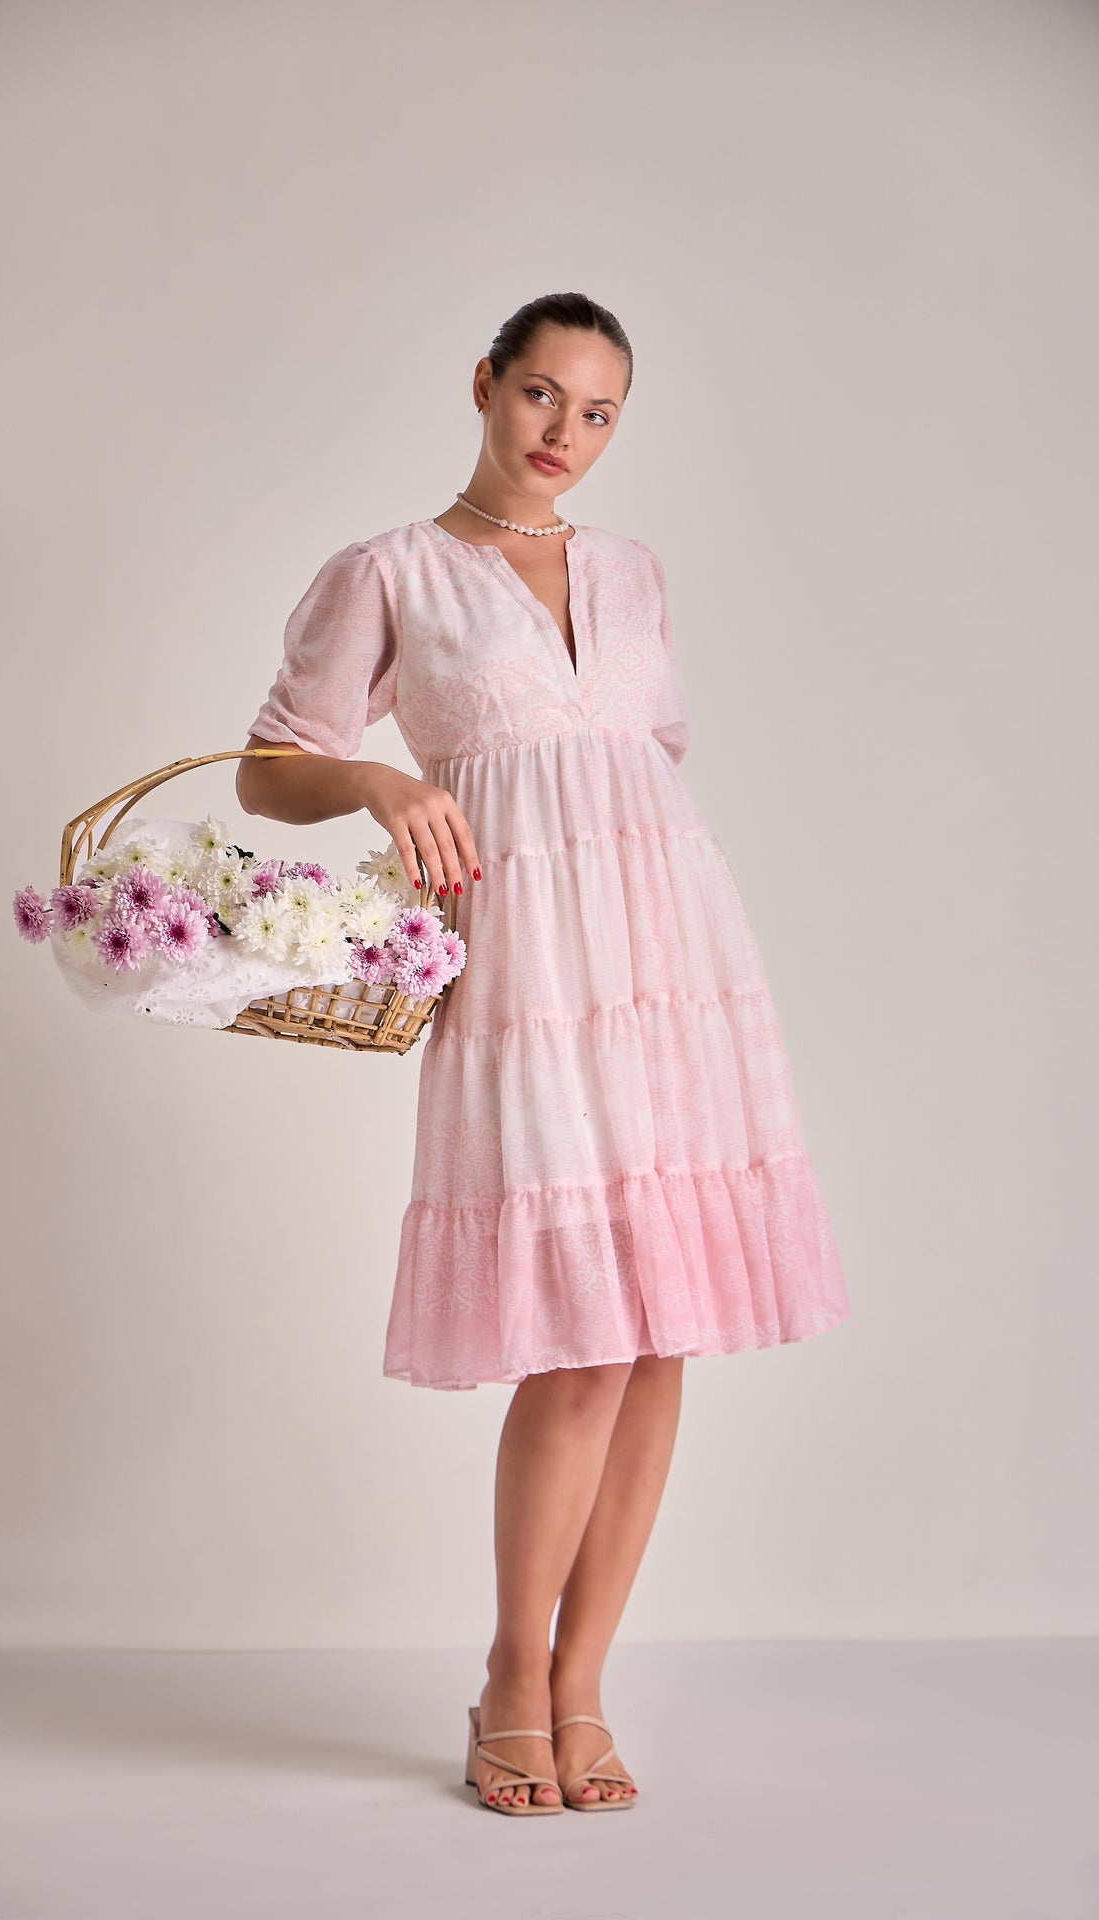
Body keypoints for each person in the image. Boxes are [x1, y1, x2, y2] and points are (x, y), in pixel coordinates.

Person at [238, 292, 851, 1817]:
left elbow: (636, 773)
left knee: (660, 1333)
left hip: (675, 962)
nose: (564, 432)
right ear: (485, 384)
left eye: (597, 412)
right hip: (529, 967)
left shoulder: (636, 574)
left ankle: (585, 1687)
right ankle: (513, 1677)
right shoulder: (389, 571)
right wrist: (382, 784)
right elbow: (268, 768)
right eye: (540, 395)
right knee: (582, 1333)